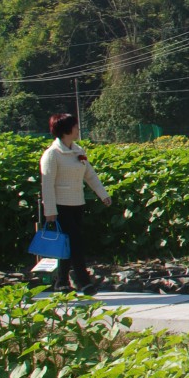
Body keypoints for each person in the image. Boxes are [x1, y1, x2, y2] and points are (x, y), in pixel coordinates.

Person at [39, 113, 112, 294]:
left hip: (77, 204)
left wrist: (103, 195)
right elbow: (47, 184)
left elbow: (90, 175)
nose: (78, 129)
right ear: (66, 130)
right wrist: (50, 211)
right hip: (60, 207)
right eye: (75, 126)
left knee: (67, 245)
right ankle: (84, 282)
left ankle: (62, 282)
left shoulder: (78, 151)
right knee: (75, 244)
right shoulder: (52, 154)